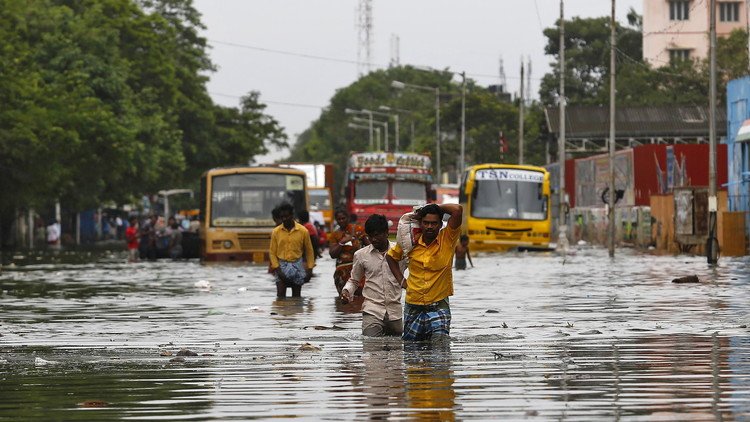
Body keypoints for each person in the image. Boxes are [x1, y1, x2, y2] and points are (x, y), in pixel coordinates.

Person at [386, 203, 463, 342]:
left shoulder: (448, 239)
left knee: (440, 348)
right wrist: (401, 281)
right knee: (411, 351)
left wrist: (430, 207)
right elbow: (391, 257)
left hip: (439, 305)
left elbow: (457, 210)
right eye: (426, 223)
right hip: (413, 305)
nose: (429, 227)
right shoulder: (410, 242)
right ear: (420, 224)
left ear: (440, 225)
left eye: (434, 223)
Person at [342, 214, 406, 337]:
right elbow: (354, 280)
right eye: (370, 236)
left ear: (386, 233)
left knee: (396, 352)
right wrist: (346, 291)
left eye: (377, 235)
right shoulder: (361, 255)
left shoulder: (400, 253)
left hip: (395, 311)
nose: (373, 239)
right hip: (372, 310)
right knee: (370, 346)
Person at [269, 203, 315, 298]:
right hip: (281, 266)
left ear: (292, 215)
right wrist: (278, 269)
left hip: (297, 265)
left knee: (296, 297)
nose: (284, 219)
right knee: (280, 296)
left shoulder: (303, 231)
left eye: (286, 216)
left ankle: (296, 312)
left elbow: (309, 251)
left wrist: (310, 269)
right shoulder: (276, 232)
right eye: (282, 217)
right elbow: (272, 253)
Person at [328, 206, 366, 295]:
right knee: (345, 298)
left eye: (343, 218)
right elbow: (332, 254)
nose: (341, 221)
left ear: (348, 218)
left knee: (360, 297)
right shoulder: (335, 235)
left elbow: (369, 246)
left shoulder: (358, 230)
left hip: (358, 270)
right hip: (342, 272)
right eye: (339, 219)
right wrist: (342, 242)